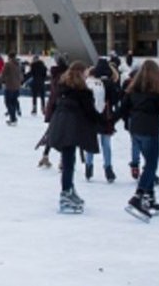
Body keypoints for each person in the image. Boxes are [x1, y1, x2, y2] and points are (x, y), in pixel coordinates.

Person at [115, 60, 159, 222]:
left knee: (148, 163)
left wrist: (109, 124)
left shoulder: (132, 90)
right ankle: (138, 197)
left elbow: (121, 109)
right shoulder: (158, 92)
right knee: (151, 164)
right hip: (150, 130)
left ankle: (149, 197)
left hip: (135, 129)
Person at [47, 61, 103, 214]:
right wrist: (106, 122)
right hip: (70, 129)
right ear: (81, 73)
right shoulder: (82, 92)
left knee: (68, 161)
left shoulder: (62, 88)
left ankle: (69, 189)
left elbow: (52, 105)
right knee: (68, 162)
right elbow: (91, 113)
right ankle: (66, 192)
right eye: (85, 73)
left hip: (59, 125)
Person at [84, 59, 121, 184]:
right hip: (106, 116)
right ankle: (108, 169)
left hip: (92, 115)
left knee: (90, 142)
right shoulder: (110, 83)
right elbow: (116, 100)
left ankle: (88, 167)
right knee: (106, 144)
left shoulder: (91, 82)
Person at [1, 54, 23, 125]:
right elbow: (21, 76)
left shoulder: (8, 64)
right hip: (17, 86)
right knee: (13, 102)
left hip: (9, 86)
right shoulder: (18, 65)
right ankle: (13, 118)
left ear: (9, 57)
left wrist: (0, 81)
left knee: (8, 102)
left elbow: (3, 74)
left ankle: (13, 119)